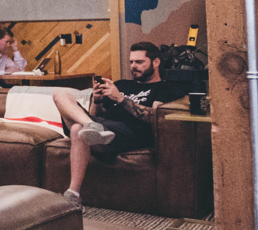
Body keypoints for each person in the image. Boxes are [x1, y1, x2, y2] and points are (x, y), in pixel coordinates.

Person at [52, 42, 189, 208]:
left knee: (77, 128)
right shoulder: (122, 84)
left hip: (129, 133)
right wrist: (98, 100)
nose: (133, 66)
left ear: (156, 62)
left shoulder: (166, 88)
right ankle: (88, 125)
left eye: (139, 62)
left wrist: (121, 99)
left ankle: (72, 195)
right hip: (101, 129)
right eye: (131, 62)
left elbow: (155, 118)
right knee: (60, 95)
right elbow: (97, 114)